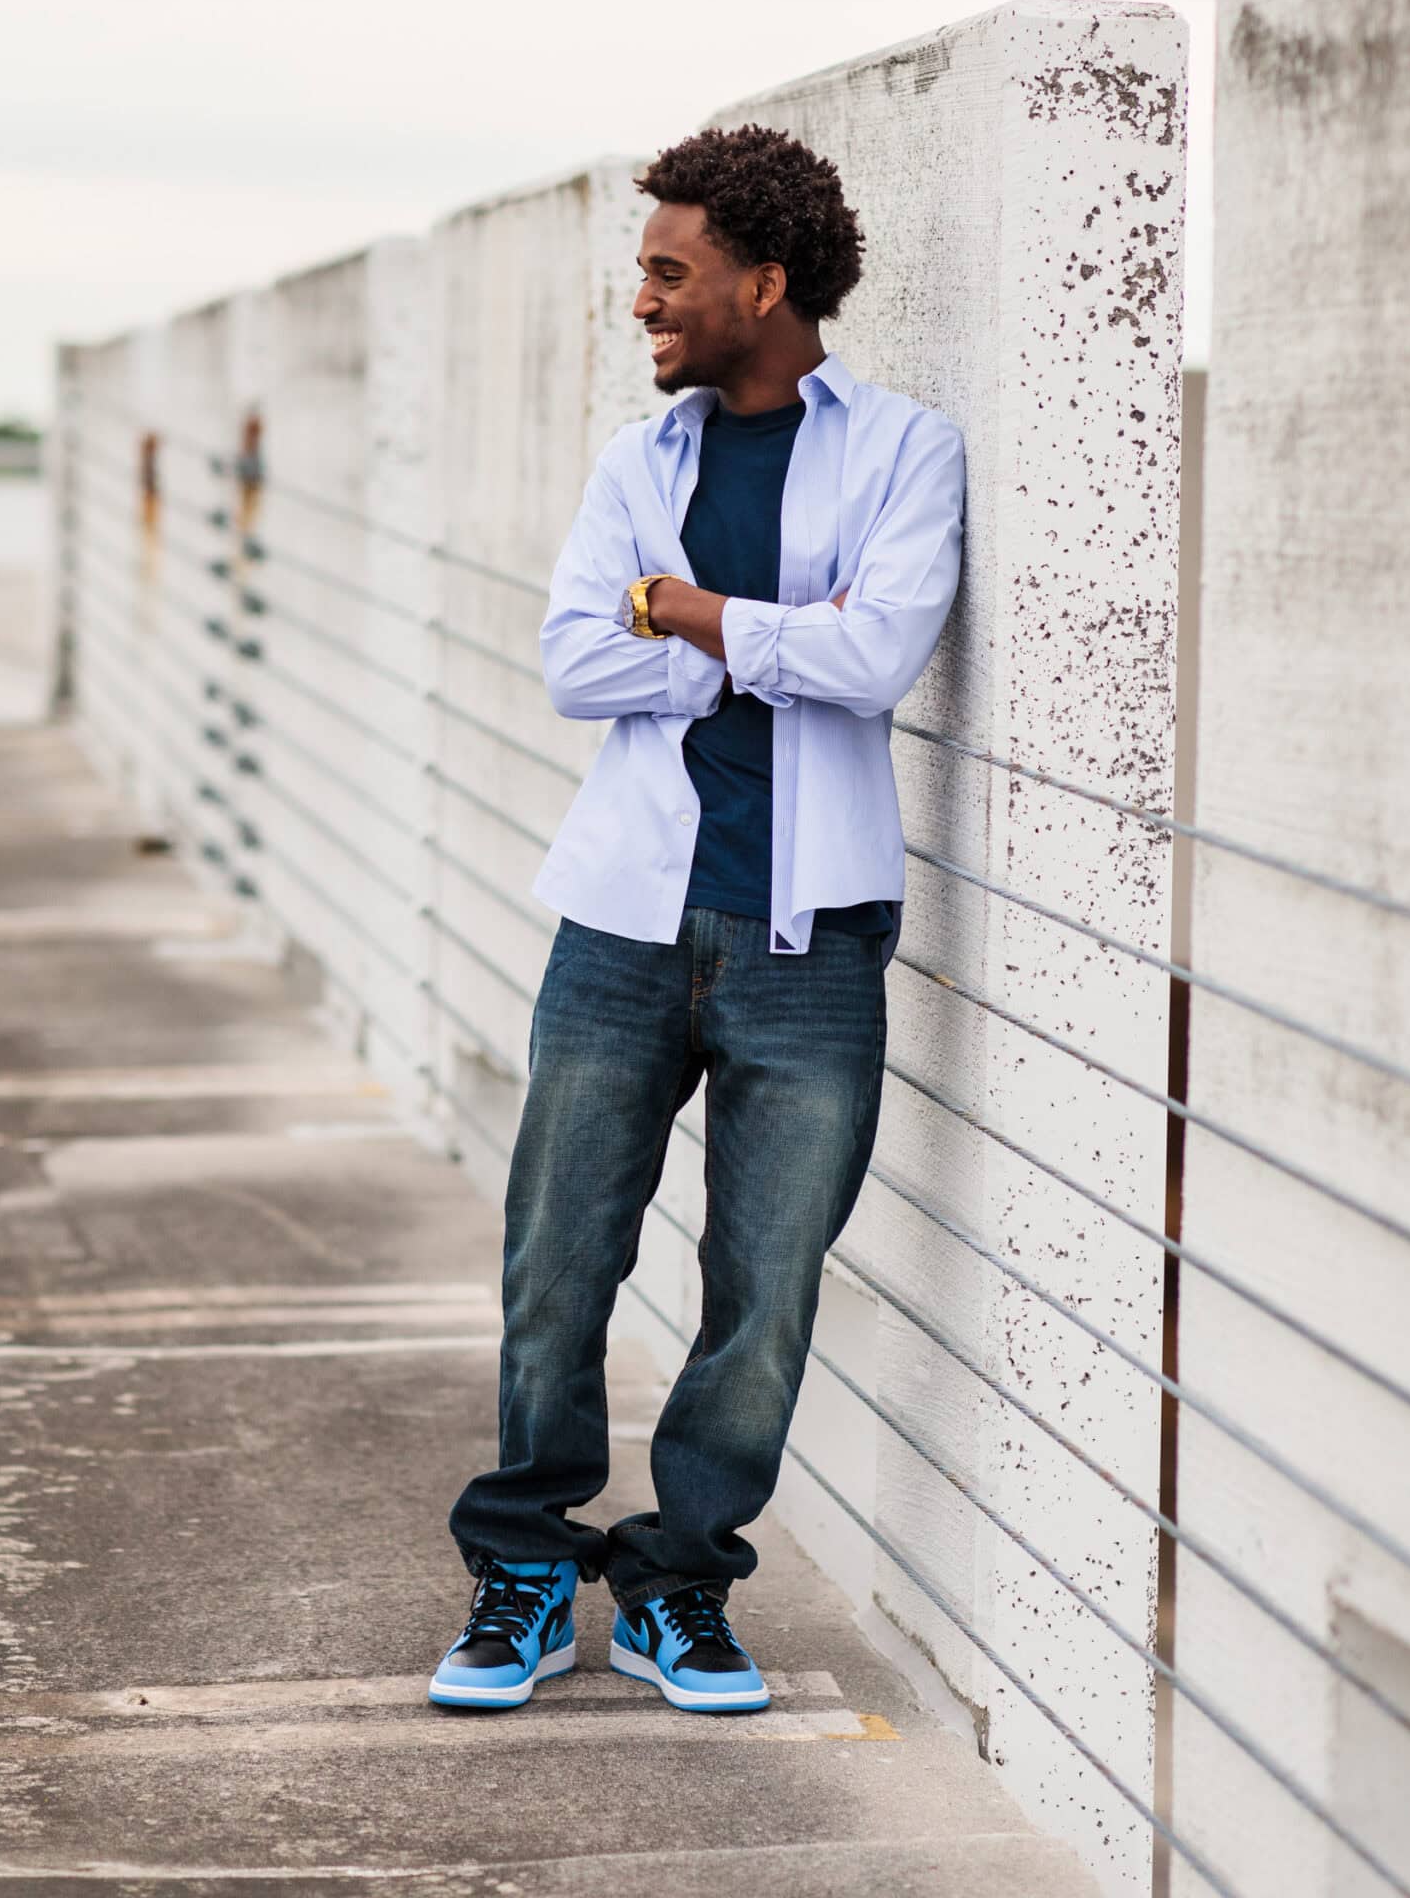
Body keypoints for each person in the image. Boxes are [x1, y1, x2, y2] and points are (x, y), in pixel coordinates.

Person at [430, 123, 965, 1713]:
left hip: (813, 946)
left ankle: (680, 1586)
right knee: (558, 1262)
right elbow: (572, 665)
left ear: (764, 281)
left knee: (767, 1285)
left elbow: (880, 667)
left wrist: (683, 611)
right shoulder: (637, 461)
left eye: (669, 273)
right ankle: (525, 1568)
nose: (644, 302)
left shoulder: (902, 452)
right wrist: (763, 638)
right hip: (621, 927)